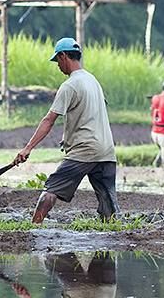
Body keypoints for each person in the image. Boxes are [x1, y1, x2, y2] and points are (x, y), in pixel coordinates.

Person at [13, 37, 119, 223]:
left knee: (51, 189)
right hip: (106, 150)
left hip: (84, 150)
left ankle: (33, 228)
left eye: (57, 61)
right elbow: (92, 111)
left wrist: (27, 148)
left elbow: (49, 120)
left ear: (63, 56)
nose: (58, 66)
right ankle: (112, 235)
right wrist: (68, 136)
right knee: (108, 202)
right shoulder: (92, 80)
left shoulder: (70, 85)